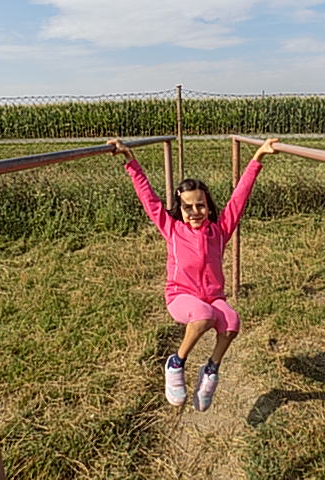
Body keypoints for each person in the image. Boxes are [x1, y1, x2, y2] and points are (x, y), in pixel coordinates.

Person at [107, 137, 279, 411]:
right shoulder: (173, 229)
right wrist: (130, 161)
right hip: (180, 297)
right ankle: (176, 363)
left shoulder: (219, 231)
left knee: (231, 322)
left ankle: (210, 369)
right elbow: (149, 199)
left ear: (209, 207)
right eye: (188, 207)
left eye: (200, 205)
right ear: (181, 209)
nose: (195, 212)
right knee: (203, 315)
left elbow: (239, 198)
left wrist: (257, 159)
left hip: (212, 297)